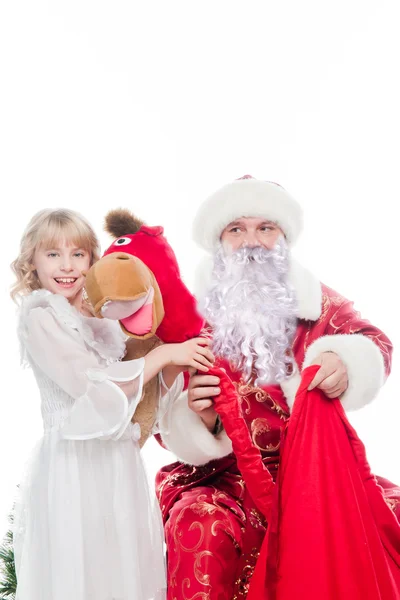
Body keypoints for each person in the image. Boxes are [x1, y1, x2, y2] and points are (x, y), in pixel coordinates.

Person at [156, 175, 398, 600]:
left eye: (265, 228)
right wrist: (202, 421)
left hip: (313, 473)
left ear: (283, 238)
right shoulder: (187, 315)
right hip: (222, 479)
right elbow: (159, 405)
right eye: (237, 229)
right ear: (219, 242)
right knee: (201, 524)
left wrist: (345, 362)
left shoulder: (317, 303)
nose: (252, 241)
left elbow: (373, 342)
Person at [10, 208, 214, 600]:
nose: (67, 266)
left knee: (122, 573)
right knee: (82, 573)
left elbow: (140, 402)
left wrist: (172, 358)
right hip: (76, 467)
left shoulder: (101, 320)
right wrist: (165, 354)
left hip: (118, 465)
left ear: (93, 259)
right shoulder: (41, 317)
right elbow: (94, 386)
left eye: (79, 254)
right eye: (53, 254)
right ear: (32, 262)